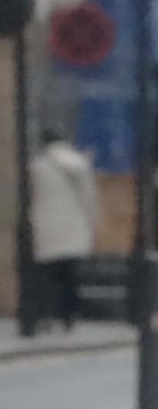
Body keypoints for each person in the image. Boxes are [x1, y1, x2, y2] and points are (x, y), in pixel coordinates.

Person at [23, 128, 93, 331]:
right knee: (70, 276)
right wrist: (92, 221)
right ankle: (69, 317)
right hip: (72, 225)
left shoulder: (36, 166)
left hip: (45, 226)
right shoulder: (79, 163)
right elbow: (88, 197)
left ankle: (46, 316)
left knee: (47, 276)